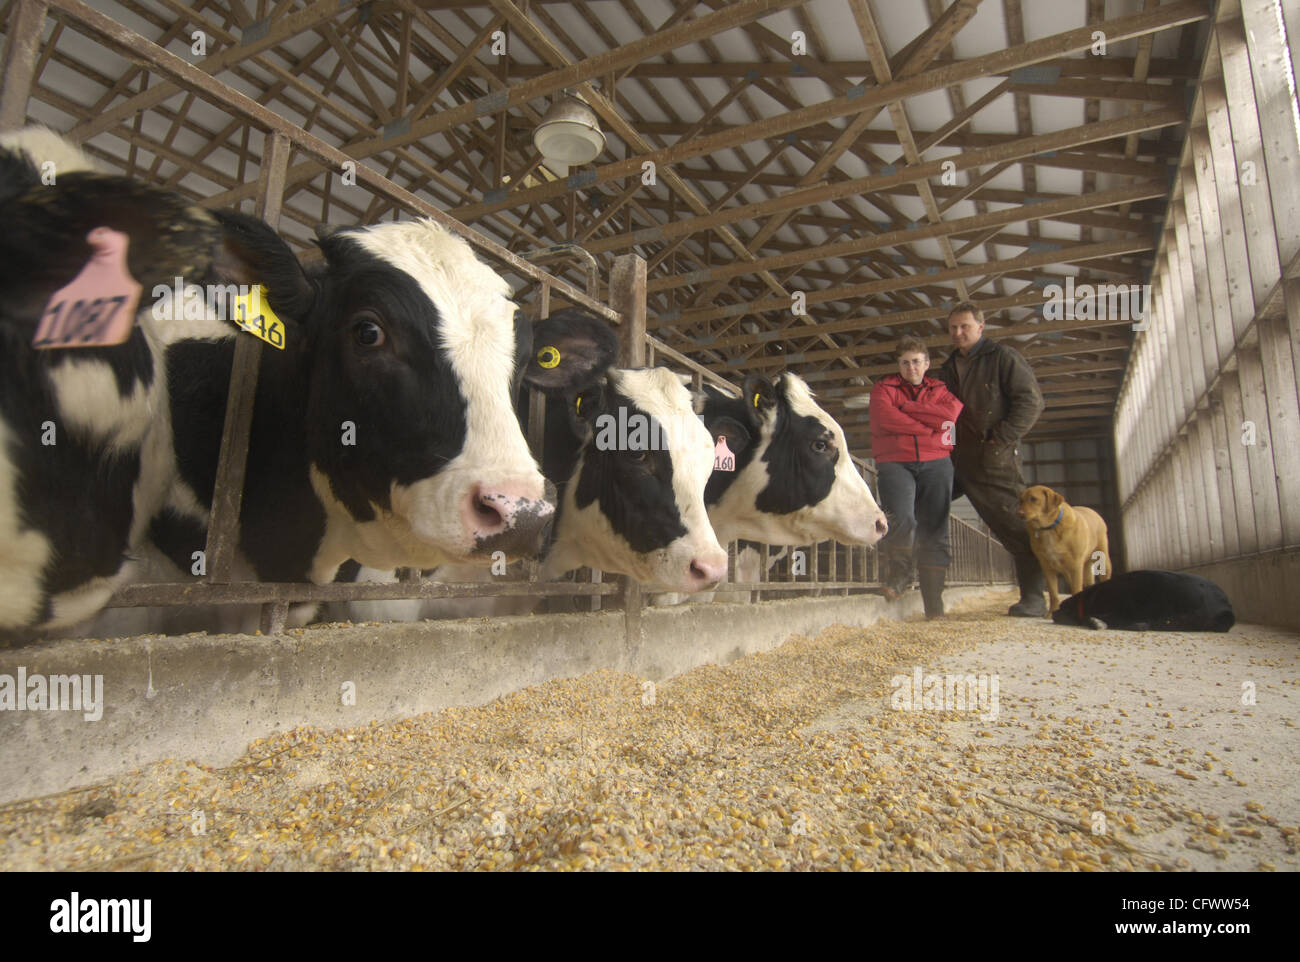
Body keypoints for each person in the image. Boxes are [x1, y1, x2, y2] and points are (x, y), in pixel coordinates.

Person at [935, 302, 1046, 616]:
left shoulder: (1003, 358)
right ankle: (922, 589)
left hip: (995, 458)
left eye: (964, 327)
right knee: (923, 504)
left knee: (1014, 525)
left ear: (981, 327)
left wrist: (1003, 435)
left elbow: (1032, 401)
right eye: (953, 328)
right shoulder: (946, 369)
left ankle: (1034, 598)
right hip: (957, 458)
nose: (958, 333)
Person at [869, 335, 964, 618]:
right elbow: (884, 419)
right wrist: (927, 427)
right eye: (905, 362)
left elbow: (949, 418)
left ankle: (934, 604)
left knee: (935, 526)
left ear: (927, 363)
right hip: (895, 461)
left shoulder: (941, 389)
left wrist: (908, 409)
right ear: (898, 364)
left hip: (937, 462)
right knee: (902, 517)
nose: (911, 367)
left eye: (916, 362)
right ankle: (900, 575)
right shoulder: (883, 389)